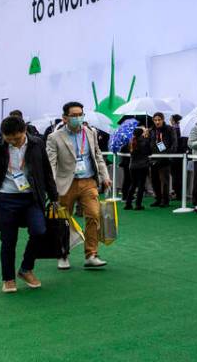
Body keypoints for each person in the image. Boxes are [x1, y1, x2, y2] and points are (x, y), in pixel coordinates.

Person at [0, 115, 60, 293]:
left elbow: (46, 171)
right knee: (8, 240)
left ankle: (26, 269)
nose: (13, 142)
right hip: (6, 199)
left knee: (39, 231)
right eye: (8, 139)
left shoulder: (37, 143)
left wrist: (54, 197)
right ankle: (8, 279)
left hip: (31, 197)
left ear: (24, 131)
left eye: (16, 138)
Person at [47, 100, 112, 270]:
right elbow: (51, 162)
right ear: (65, 118)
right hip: (65, 184)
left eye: (80, 115)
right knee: (63, 220)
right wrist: (52, 184)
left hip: (89, 181)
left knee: (94, 215)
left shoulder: (90, 132)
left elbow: (97, 155)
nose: (78, 118)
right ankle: (62, 254)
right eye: (73, 115)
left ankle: (91, 254)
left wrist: (105, 176)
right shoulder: (55, 137)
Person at [147, 112, 174, 207]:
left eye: (159, 120)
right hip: (153, 159)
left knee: (164, 181)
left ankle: (165, 200)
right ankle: (158, 199)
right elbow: (149, 143)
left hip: (165, 159)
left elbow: (174, 143)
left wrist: (168, 154)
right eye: (155, 120)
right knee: (154, 180)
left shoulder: (169, 129)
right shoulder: (151, 130)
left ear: (163, 120)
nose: (157, 122)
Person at [124, 126, 152, 209]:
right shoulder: (145, 141)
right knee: (141, 186)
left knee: (133, 185)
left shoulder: (131, 142)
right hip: (142, 166)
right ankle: (138, 204)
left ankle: (128, 204)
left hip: (132, 166)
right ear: (141, 133)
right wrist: (147, 138)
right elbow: (149, 152)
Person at [169, 114, 185, 200]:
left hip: (174, 156)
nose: (170, 121)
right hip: (182, 156)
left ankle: (176, 193)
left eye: (171, 119)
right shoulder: (183, 129)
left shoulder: (173, 130)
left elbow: (171, 143)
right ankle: (179, 193)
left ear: (174, 120)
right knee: (180, 175)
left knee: (175, 176)